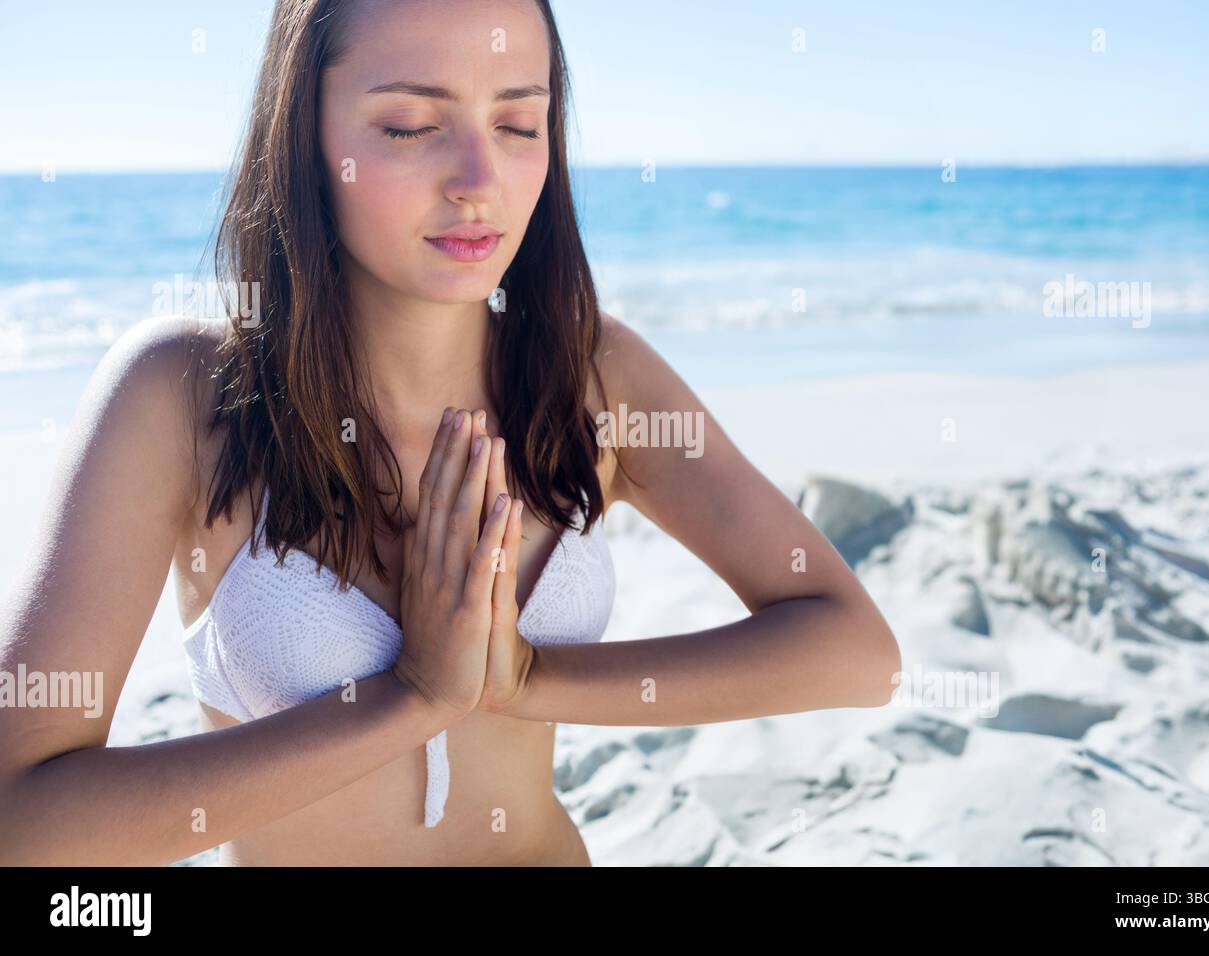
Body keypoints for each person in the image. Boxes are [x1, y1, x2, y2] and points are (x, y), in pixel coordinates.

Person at [0, 0, 900, 866]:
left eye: (519, 126)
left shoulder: (590, 377)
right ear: (304, 135)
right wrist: (408, 700)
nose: (481, 182)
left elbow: (856, 656)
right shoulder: (185, 398)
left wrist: (525, 680)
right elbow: (22, 820)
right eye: (408, 126)